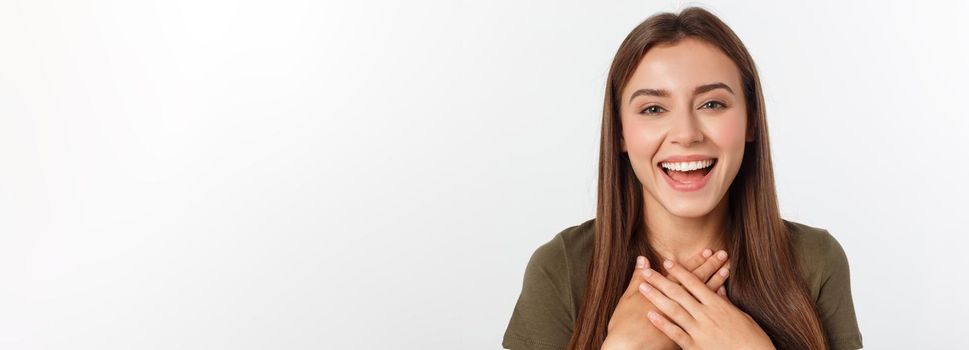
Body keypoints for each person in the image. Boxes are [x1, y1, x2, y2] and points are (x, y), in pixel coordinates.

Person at [502, 7, 863, 350]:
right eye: (653, 109)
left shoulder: (814, 261)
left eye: (712, 104)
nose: (686, 134)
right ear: (621, 133)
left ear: (751, 121)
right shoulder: (562, 269)